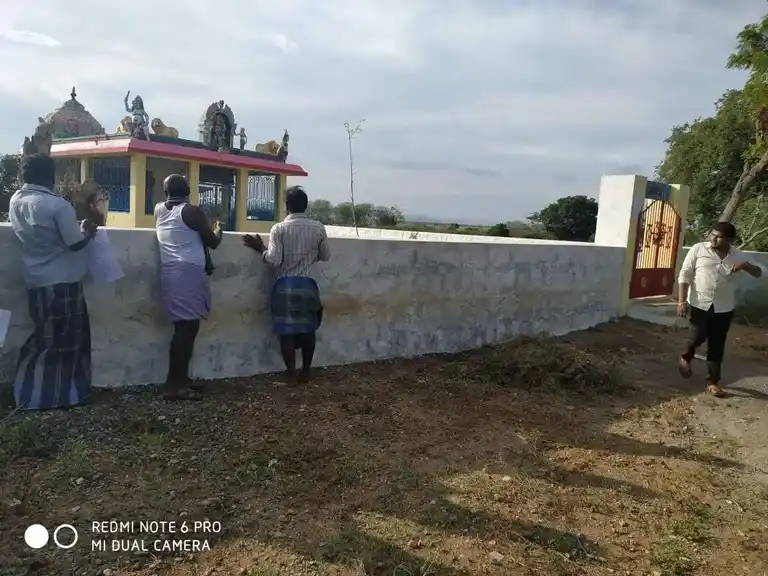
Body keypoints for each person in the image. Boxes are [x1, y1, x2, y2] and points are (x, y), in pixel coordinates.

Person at [8, 153, 99, 410]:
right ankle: (60, 396)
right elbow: (75, 243)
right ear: (52, 177)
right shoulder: (57, 205)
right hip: (63, 281)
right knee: (67, 343)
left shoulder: (17, 200)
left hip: (35, 279)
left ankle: (30, 394)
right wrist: (88, 230)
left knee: (43, 339)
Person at [243, 185, 330, 385]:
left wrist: (261, 249)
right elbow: (325, 256)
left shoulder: (279, 228)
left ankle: (291, 374)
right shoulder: (318, 228)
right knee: (308, 330)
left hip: (285, 285)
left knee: (286, 331)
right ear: (305, 206)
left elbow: (274, 260)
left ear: (287, 206)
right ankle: (306, 372)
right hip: (308, 285)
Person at [154, 174, 222, 401]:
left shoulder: (159, 210)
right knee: (186, 329)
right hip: (188, 272)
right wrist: (218, 229)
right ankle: (174, 386)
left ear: (165, 194)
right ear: (189, 192)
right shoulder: (191, 211)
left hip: (170, 271)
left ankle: (180, 380)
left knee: (185, 327)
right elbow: (212, 241)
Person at [677, 221, 764, 397]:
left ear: (729, 240)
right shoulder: (699, 249)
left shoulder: (738, 255)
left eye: (719, 237)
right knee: (696, 336)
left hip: (723, 308)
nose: (713, 239)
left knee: (717, 345)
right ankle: (685, 357)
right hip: (699, 303)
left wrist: (746, 266)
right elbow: (685, 273)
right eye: (712, 234)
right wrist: (681, 301)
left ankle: (713, 381)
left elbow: (761, 272)